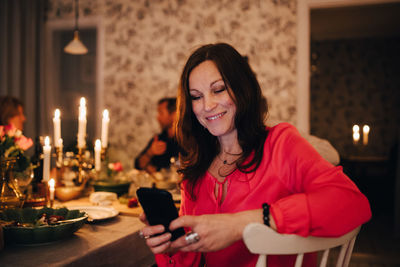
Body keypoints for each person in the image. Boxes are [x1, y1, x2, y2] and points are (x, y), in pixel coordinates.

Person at [139, 43, 371, 267]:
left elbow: (352, 202)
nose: (207, 105)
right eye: (196, 96)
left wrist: (243, 223)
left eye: (218, 89)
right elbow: (192, 258)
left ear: (242, 89)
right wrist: (173, 248)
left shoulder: (282, 144)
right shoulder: (195, 167)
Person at [134, 97, 180, 174]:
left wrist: (156, 169)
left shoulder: (186, 140)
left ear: (174, 115)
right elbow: (138, 165)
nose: (157, 117)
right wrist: (150, 152)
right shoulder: (159, 138)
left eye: (161, 113)